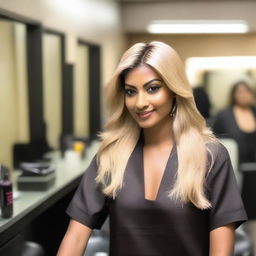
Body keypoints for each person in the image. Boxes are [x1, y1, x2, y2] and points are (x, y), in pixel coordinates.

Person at [57, 42, 247, 256]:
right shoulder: (111, 156)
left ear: (174, 90)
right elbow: (75, 237)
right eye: (131, 91)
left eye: (153, 88)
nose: (140, 102)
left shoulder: (210, 156)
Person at [213, 81, 256, 164]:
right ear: (233, 95)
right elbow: (215, 140)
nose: (243, 95)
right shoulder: (224, 116)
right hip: (233, 164)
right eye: (239, 92)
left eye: (246, 91)